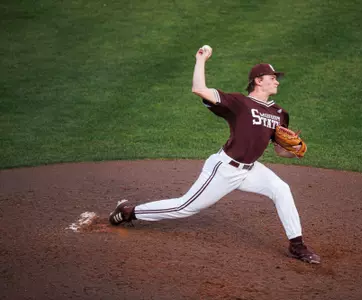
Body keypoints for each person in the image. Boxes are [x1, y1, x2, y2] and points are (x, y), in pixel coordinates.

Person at [108, 46, 320, 264]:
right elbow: (199, 89)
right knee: (185, 207)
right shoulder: (239, 103)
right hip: (225, 168)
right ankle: (128, 212)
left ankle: (297, 245)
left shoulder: (279, 113)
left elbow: (278, 150)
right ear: (258, 81)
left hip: (251, 169)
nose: (276, 81)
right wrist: (201, 60)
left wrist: (292, 151)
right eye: (272, 78)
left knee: (281, 189)